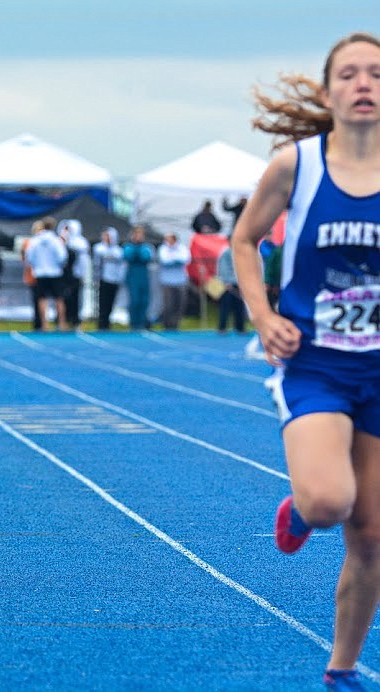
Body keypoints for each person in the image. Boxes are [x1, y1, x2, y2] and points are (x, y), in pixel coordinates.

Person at [230, 32, 380, 690]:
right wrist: (263, 316)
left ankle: (342, 670)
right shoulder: (298, 165)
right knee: (328, 503)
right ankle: (299, 508)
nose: (364, 84)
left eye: (377, 73)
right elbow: (244, 239)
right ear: (328, 93)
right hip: (316, 361)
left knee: (372, 534)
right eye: (349, 74)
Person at [25, 218, 69, 330]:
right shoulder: (56, 240)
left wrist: (37, 266)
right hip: (55, 272)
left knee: (42, 299)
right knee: (59, 298)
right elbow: (62, 257)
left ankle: (45, 324)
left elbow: (29, 257)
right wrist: (57, 265)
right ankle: (61, 323)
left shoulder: (35, 240)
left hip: (40, 273)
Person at [58, 219, 91, 328]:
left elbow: (83, 261)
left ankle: (75, 319)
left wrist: (82, 273)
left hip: (75, 274)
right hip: (63, 275)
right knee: (63, 297)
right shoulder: (60, 241)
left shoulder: (81, 242)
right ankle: (63, 319)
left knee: (75, 297)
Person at [92, 226, 125, 330]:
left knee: (111, 302)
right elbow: (98, 260)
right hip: (103, 279)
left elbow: (118, 258)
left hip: (114, 280)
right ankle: (102, 324)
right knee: (102, 303)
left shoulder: (118, 250)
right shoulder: (99, 247)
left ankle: (108, 322)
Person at [157, 232, 191, 330]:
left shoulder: (182, 248)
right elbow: (164, 260)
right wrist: (175, 259)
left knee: (179, 304)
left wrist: (173, 258)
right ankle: (167, 325)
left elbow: (185, 259)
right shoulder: (163, 248)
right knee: (168, 305)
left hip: (180, 281)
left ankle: (176, 324)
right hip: (167, 281)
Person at [122, 225, 153, 330]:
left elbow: (146, 257)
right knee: (134, 300)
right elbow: (128, 257)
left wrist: (139, 249)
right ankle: (134, 324)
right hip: (133, 276)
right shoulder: (128, 246)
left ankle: (143, 322)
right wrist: (135, 246)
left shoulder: (146, 247)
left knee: (144, 300)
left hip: (143, 276)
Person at [215, 243, 246, 333]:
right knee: (225, 307)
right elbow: (223, 268)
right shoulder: (226, 253)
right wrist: (226, 281)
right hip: (228, 285)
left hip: (239, 283)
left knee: (239, 307)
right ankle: (222, 327)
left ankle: (240, 327)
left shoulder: (241, 252)